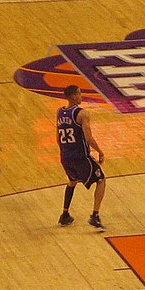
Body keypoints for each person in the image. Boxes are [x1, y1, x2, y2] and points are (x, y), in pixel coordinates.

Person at [55, 85, 106, 229]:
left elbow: (57, 138)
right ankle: (95, 216)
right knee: (101, 180)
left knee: (72, 181)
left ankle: (65, 214)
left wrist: (65, 153)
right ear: (72, 96)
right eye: (79, 94)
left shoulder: (60, 112)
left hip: (65, 157)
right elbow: (88, 138)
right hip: (80, 157)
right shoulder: (82, 114)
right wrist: (100, 151)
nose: (81, 96)